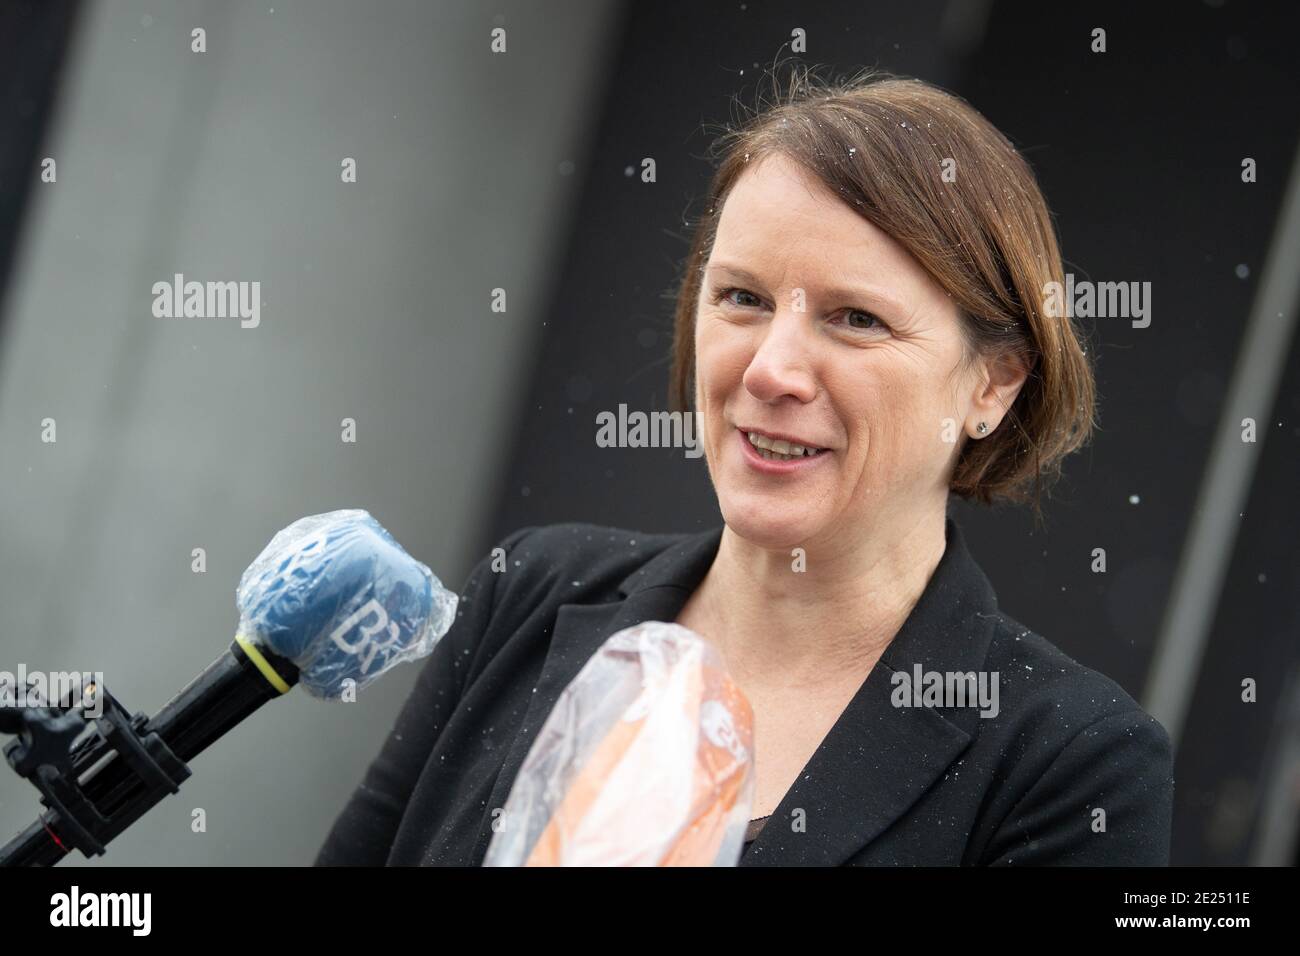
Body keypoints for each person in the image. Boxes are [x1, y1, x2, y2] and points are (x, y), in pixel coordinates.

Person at [315, 68, 1174, 867]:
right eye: (743, 299)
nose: (771, 370)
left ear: (993, 382)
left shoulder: (1068, 762)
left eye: (856, 318)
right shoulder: (533, 591)